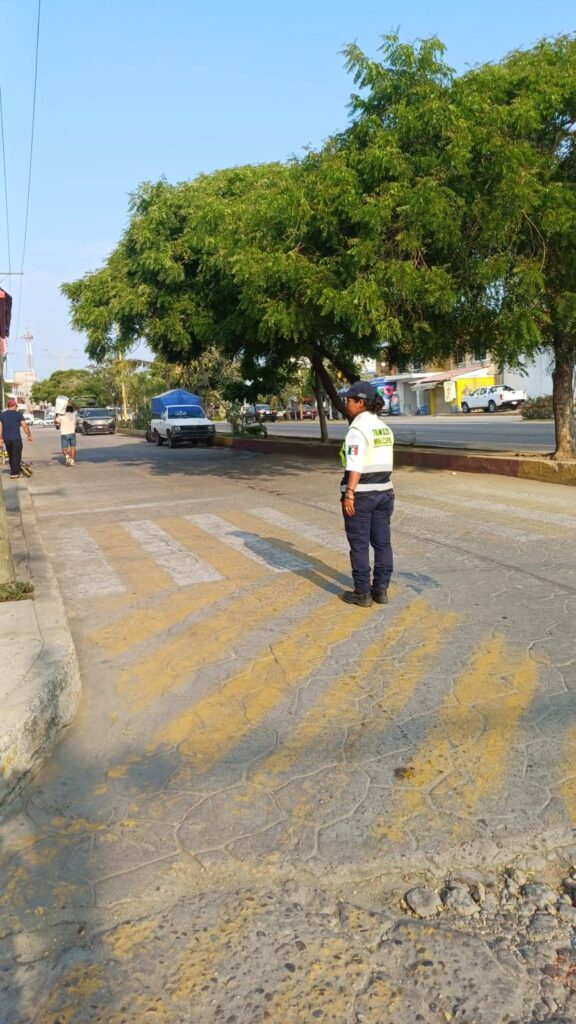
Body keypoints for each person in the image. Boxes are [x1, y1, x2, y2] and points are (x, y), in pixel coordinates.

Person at [340, 381, 394, 607]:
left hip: (361, 495)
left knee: (359, 545)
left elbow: (355, 464)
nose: (346, 404)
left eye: (349, 400)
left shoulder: (357, 430)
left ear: (360, 403)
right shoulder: (384, 428)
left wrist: (349, 493)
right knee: (382, 544)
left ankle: (362, 593)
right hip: (385, 492)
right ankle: (380, 590)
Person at [0, 398, 32, 479]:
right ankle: (15, 473)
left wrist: (1, 438)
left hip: (7, 439)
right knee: (16, 456)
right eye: (16, 406)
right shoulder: (18, 414)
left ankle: (14, 471)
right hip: (16, 438)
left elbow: (0, 427)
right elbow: (24, 425)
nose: (16, 408)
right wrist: (29, 435)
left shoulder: (2, 415)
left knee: (11, 455)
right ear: (14, 405)